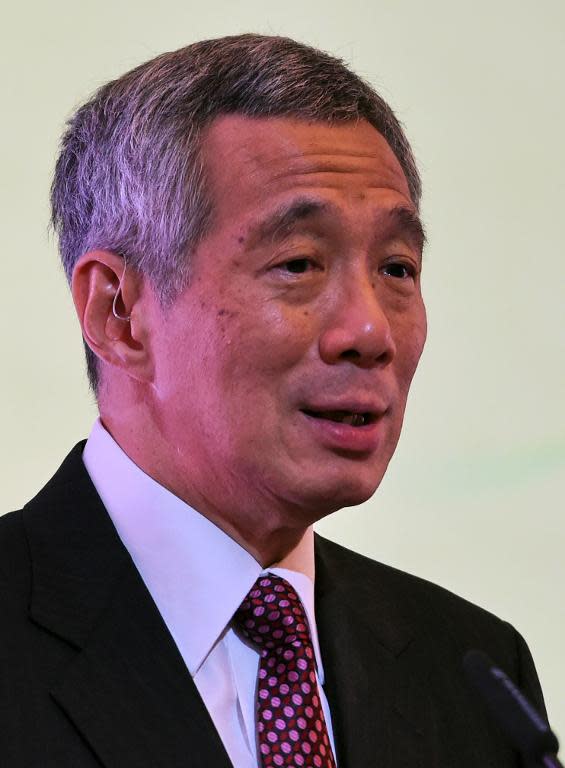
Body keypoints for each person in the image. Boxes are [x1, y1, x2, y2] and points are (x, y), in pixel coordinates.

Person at [0, 33, 549, 767]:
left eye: (396, 267)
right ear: (120, 314)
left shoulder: (472, 669)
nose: (369, 330)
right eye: (297, 263)